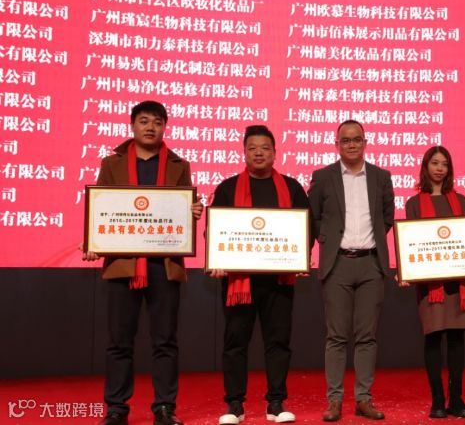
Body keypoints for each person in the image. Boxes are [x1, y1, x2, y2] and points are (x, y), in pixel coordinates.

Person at [82, 100, 203, 425]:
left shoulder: (179, 164)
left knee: (165, 341)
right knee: (119, 342)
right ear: (132, 125)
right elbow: (101, 206)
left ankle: (164, 407)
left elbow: (184, 210)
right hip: (123, 263)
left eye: (157, 122)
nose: (151, 127)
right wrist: (93, 240)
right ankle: (116, 408)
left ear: (165, 127)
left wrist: (193, 211)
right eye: (144, 121)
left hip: (164, 264)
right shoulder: (112, 163)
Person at [208, 125, 310, 424]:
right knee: (235, 342)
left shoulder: (292, 187)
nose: (259, 153)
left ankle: (276, 402)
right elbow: (214, 228)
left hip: (278, 279)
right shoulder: (228, 188)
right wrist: (216, 259)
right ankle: (235, 404)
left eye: (265, 148)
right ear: (244, 152)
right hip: (239, 281)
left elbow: (307, 228)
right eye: (252, 148)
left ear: (275, 152)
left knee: (278, 342)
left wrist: (300, 257)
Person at [307, 120, 395, 422]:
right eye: (345, 140)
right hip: (337, 264)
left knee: (367, 337)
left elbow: (387, 217)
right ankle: (334, 400)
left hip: (371, 263)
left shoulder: (382, 177)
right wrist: (326, 240)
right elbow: (314, 217)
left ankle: (363, 399)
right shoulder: (323, 177)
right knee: (336, 337)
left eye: (357, 139)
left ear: (365, 142)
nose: (352, 144)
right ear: (337, 145)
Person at [401, 146, 465, 419]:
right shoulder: (414, 203)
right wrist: (406, 269)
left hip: (458, 282)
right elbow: (412, 241)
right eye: (435, 163)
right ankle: (437, 400)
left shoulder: (460, 200)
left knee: (456, 340)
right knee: (433, 338)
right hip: (431, 283)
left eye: (444, 164)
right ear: (425, 167)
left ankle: (456, 399)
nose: (440, 168)